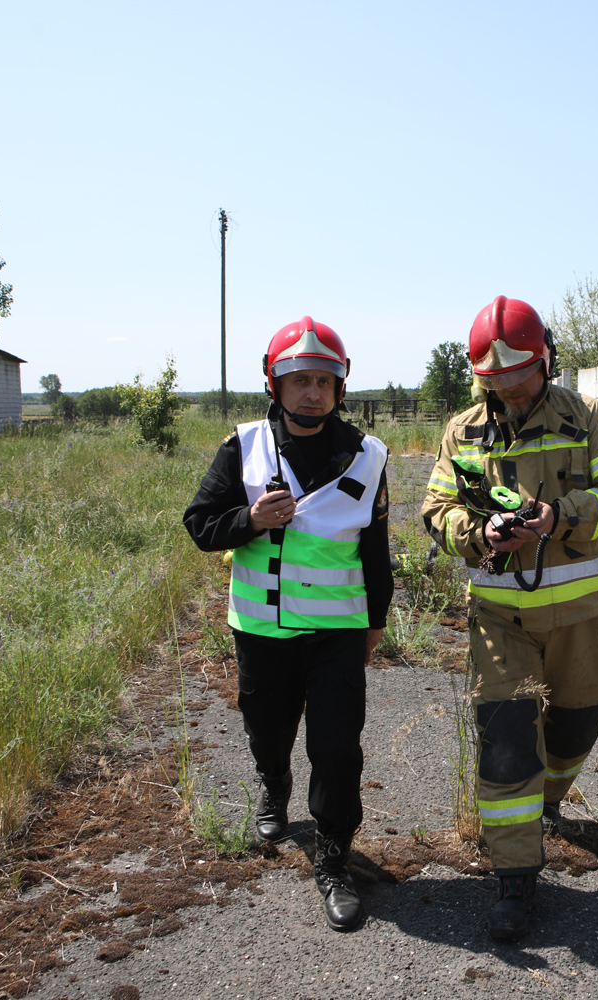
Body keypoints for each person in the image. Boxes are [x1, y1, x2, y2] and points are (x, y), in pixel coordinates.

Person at [421, 295, 598, 942]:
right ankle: (514, 875)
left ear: (545, 361)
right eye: (495, 380)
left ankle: (547, 802)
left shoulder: (584, 416)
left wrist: (560, 517)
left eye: (519, 375)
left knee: (580, 720)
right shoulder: (462, 432)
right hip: (499, 617)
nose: (510, 389)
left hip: (577, 616)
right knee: (509, 739)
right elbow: (437, 509)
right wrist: (479, 533)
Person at [182, 317, 391, 932]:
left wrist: (375, 623)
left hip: (336, 633)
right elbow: (200, 525)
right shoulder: (243, 447)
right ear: (274, 383)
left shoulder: (369, 456)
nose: (312, 392)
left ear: (340, 388)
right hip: (262, 630)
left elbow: (375, 552)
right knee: (268, 729)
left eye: (324, 381)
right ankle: (274, 784)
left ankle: (333, 859)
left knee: (337, 748)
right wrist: (248, 520)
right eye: (299, 379)